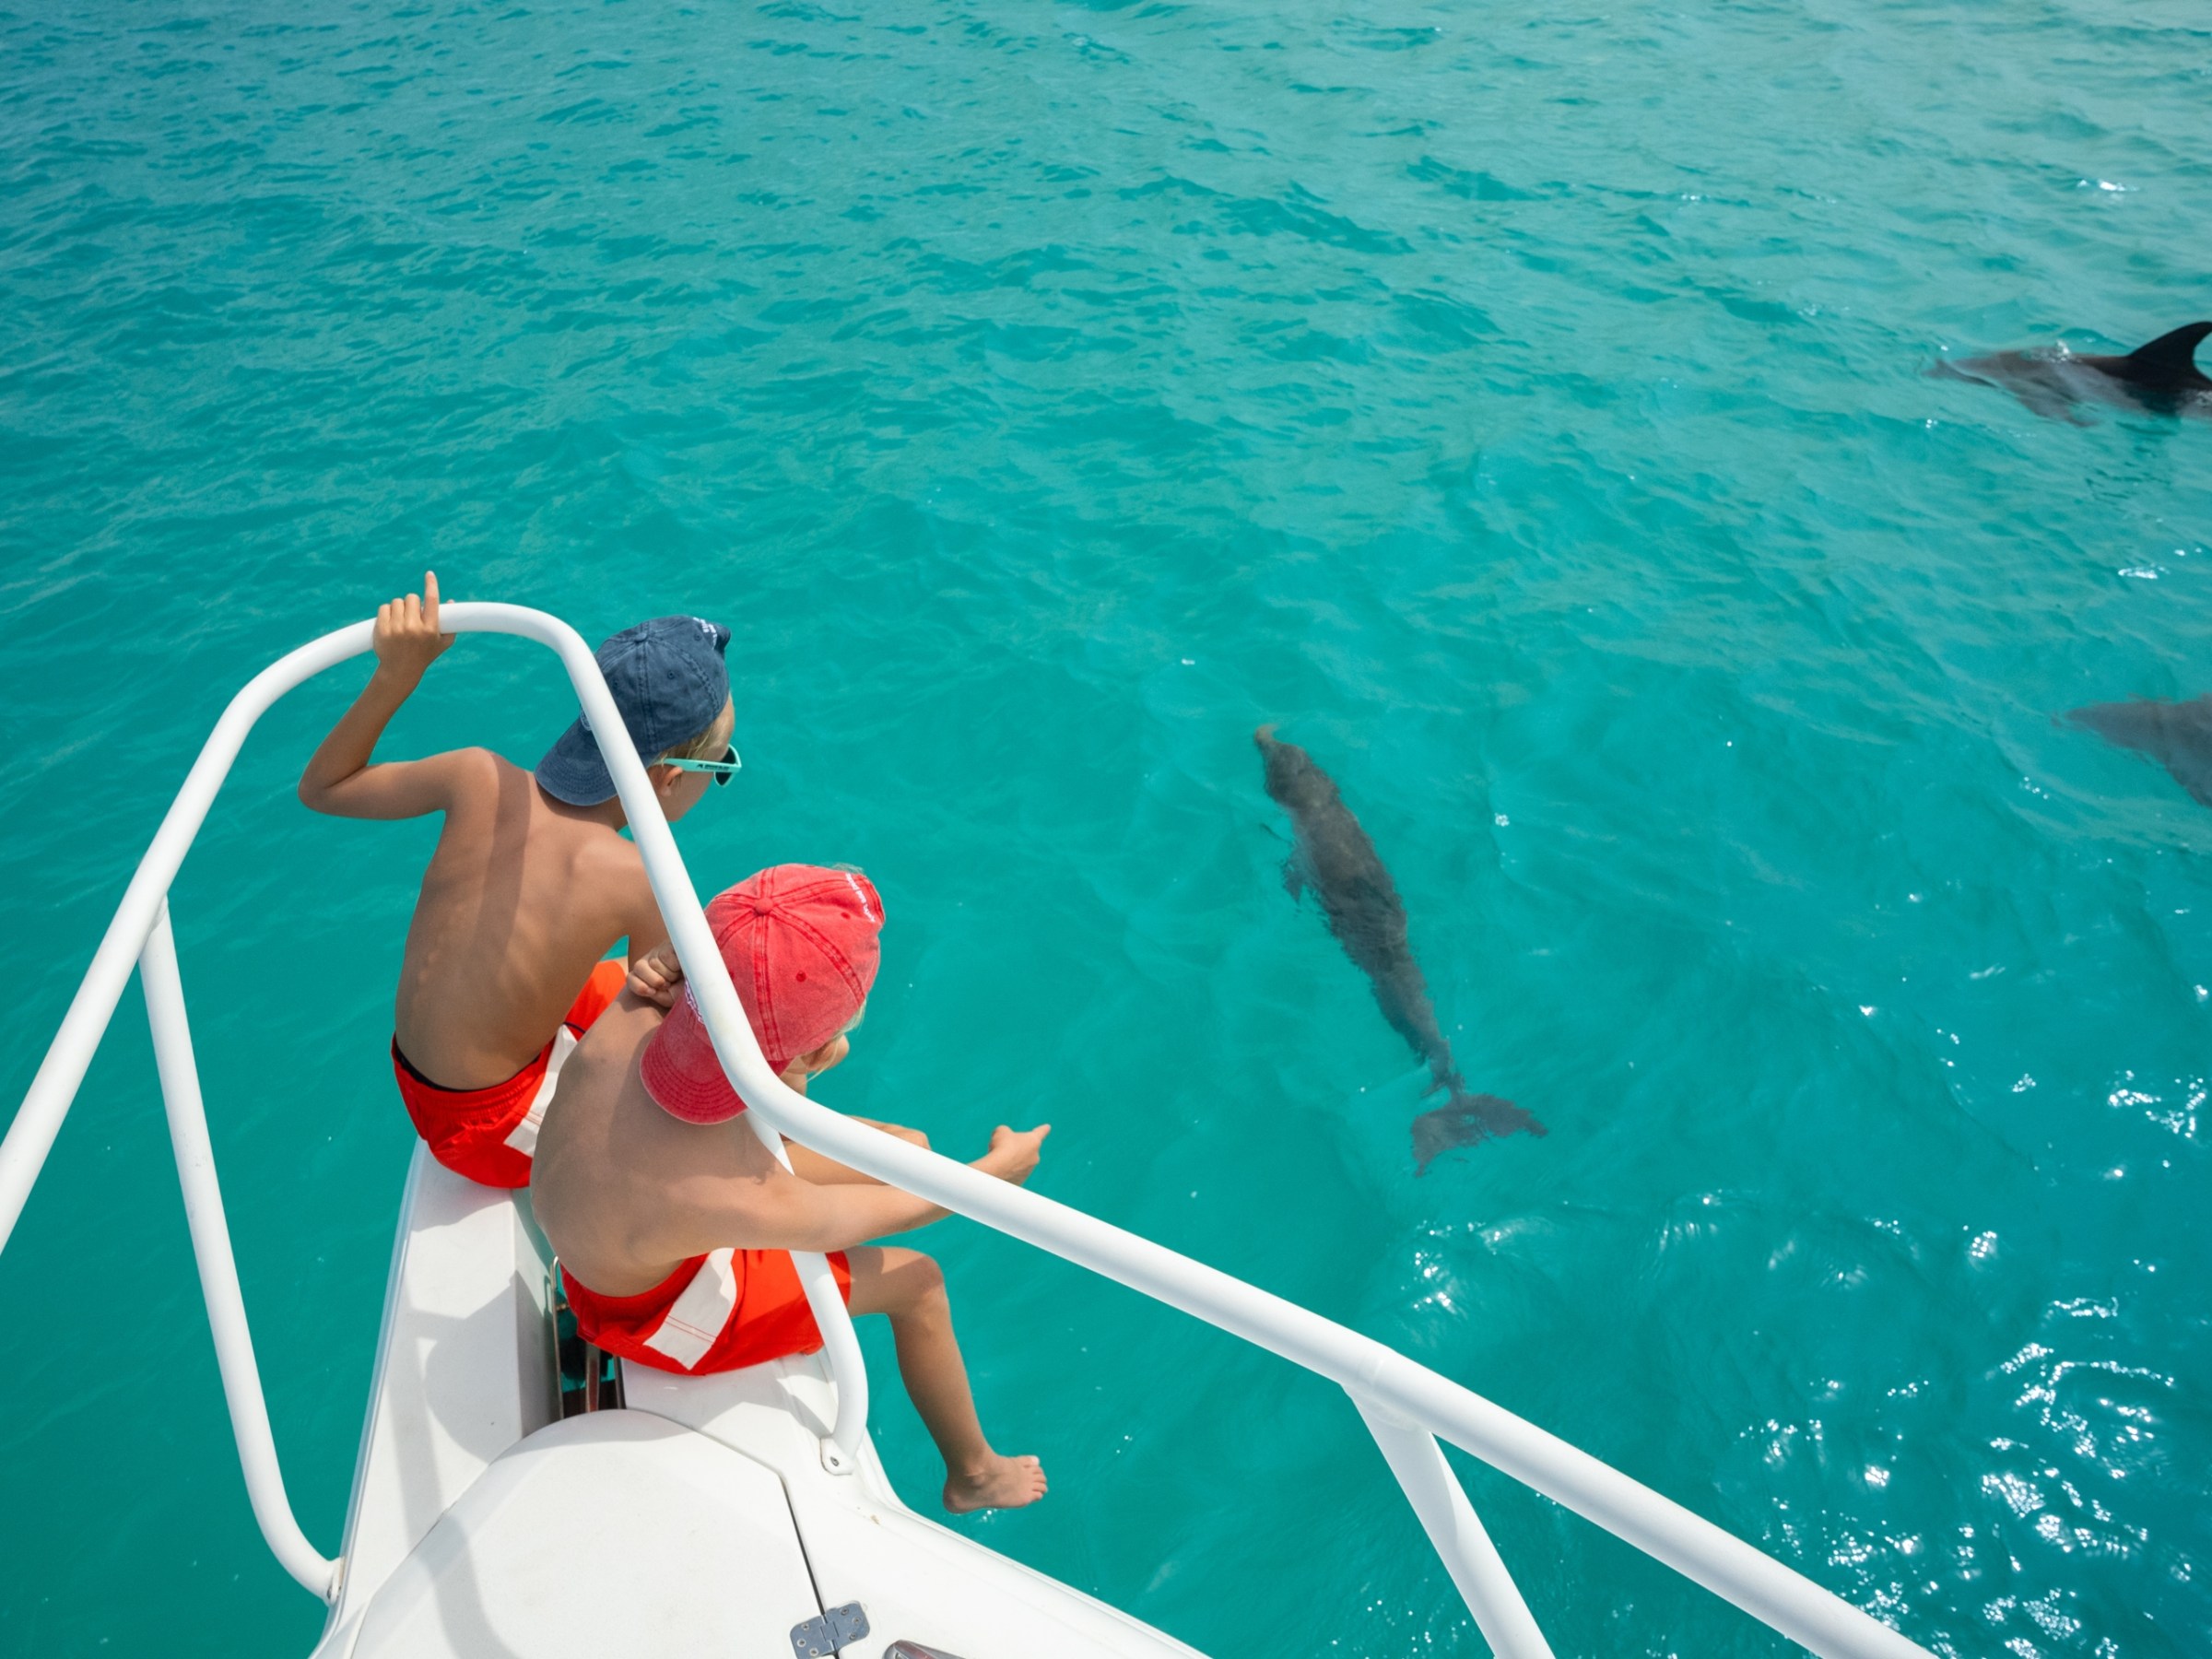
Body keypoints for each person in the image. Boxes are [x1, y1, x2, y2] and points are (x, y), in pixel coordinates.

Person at [532, 864, 1053, 1513]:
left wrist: (797, 1062)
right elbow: (894, 1212)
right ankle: (973, 1474)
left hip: (610, 1226)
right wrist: (997, 1174)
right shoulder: (734, 1197)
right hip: (654, 1314)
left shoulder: (641, 998)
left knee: (907, 1147)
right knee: (917, 1282)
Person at [298, 573, 740, 1186]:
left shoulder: (476, 776)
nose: (720, 775)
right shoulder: (639, 880)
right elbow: (649, 1066)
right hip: (482, 1125)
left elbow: (322, 788)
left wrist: (398, 671)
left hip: (417, 1073)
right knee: (682, 1143)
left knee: (649, 977)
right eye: (721, 765)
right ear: (669, 776)